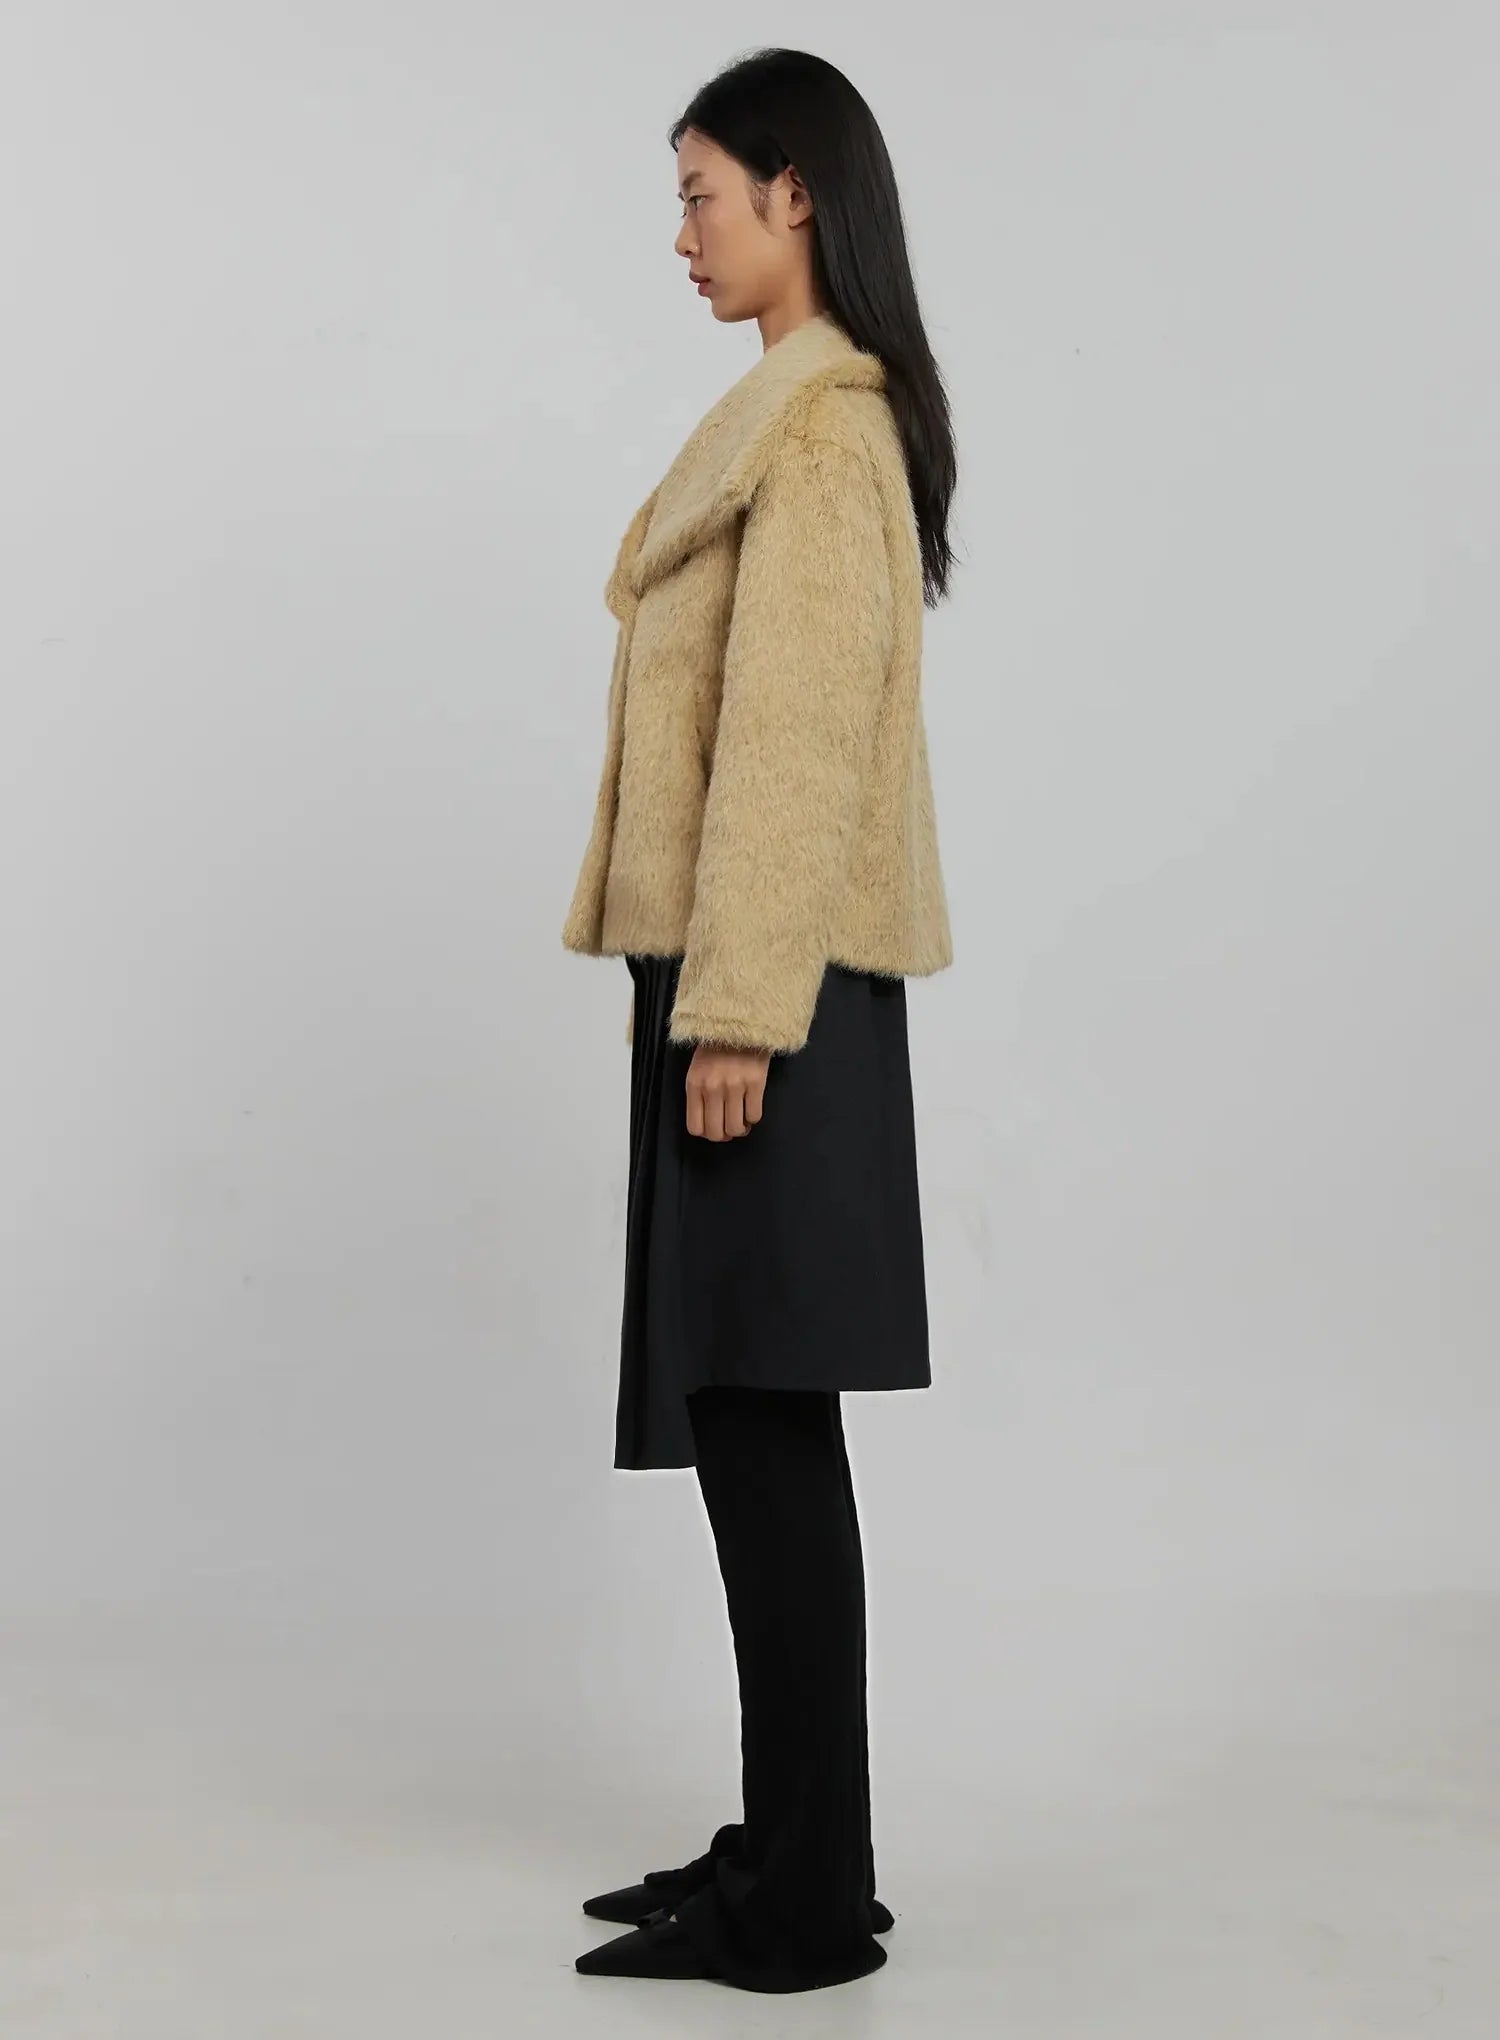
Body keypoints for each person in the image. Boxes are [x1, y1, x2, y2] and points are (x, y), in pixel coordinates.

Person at [561, 45, 957, 1995]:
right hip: (752, 981)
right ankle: (800, 1846)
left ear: (800, 192)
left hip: (765, 996)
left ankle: (803, 1903)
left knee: (768, 1427)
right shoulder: (790, 418)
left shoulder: (817, 433)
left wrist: (734, 1014)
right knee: (754, 1419)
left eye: (703, 193)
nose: (684, 234)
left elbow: (795, 749)